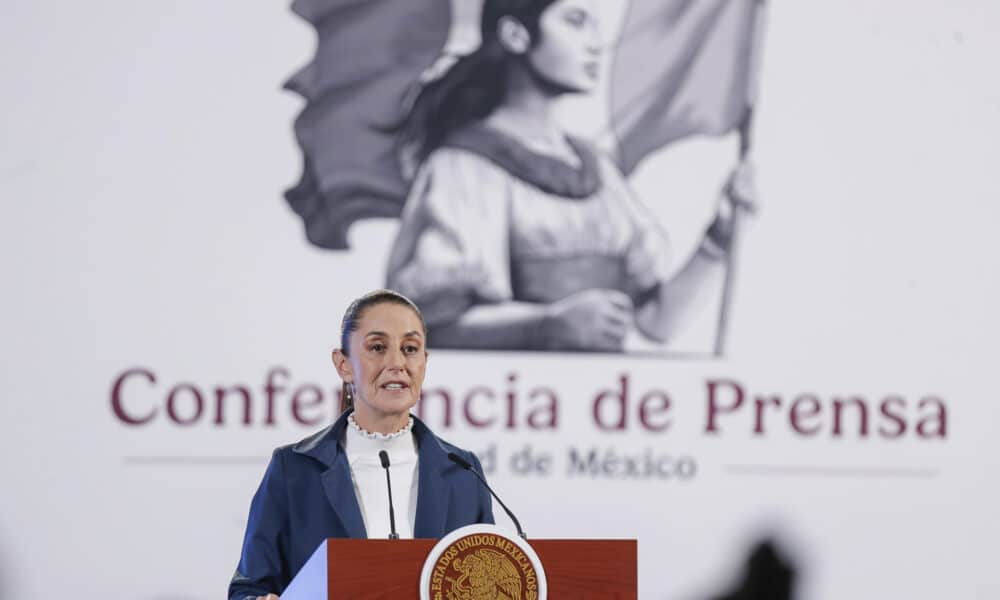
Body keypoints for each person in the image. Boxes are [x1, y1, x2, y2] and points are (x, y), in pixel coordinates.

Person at [387, 0, 754, 352]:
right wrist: (546, 324)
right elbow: (429, 326)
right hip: (511, 404)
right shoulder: (464, 167)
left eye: (595, 26)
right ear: (517, 35)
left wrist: (718, 239)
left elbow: (656, 322)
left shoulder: (598, 170)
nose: (596, 44)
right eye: (575, 21)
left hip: (604, 404)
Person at [228, 290, 495, 600]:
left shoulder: (463, 471)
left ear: (424, 362)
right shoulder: (295, 469)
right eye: (378, 347)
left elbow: (490, 578)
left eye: (410, 348)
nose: (397, 363)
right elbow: (248, 588)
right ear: (343, 365)